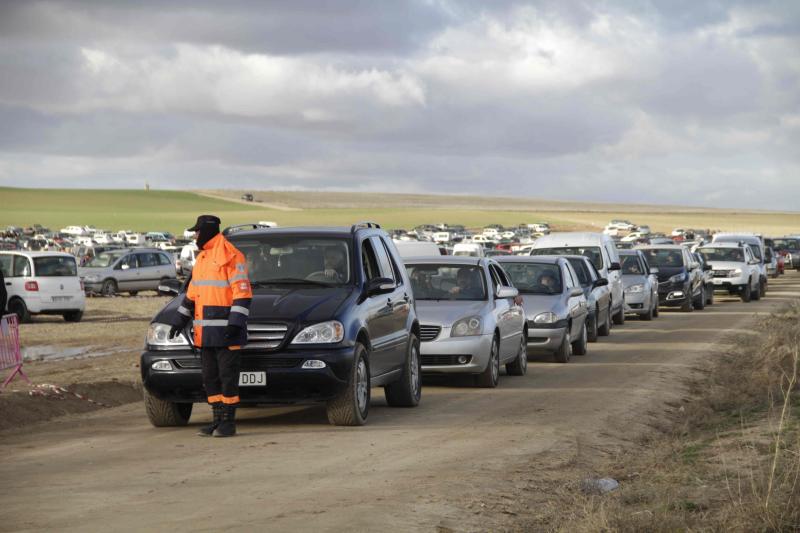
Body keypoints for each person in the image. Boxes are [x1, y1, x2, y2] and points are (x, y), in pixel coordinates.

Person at [168, 215, 252, 438]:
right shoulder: (203, 259)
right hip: (205, 335)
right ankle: (216, 421)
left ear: (207, 230)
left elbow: (242, 295)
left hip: (227, 333)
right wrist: (178, 321)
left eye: (197, 231)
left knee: (228, 378)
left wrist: (234, 324)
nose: (195, 235)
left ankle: (228, 423)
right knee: (210, 379)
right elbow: (191, 296)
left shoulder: (231, 255)